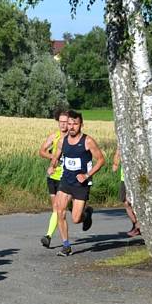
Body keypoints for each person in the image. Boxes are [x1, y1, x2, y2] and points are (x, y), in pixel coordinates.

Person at [48, 110, 105, 257]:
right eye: (70, 124)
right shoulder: (62, 140)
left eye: (75, 124)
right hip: (66, 181)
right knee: (59, 211)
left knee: (75, 219)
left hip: (81, 184)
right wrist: (52, 166)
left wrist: (86, 175)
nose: (72, 127)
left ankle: (87, 214)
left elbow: (101, 160)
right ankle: (66, 246)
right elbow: (56, 156)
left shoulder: (87, 141)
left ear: (81, 125)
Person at [38, 109, 69, 248]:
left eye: (65, 122)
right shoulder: (54, 136)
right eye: (60, 122)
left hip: (66, 176)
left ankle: (48, 236)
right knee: (56, 208)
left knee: (61, 207)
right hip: (53, 175)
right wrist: (53, 157)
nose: (63, 125)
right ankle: (49, 236)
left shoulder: (73, 138)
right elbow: (41, 151)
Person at [113, 146, 140, 236]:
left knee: (132, 201)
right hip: (125, 177)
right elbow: (118, 150)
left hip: (137, 176)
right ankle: (136, 225)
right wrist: (115, 164)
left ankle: (139, 226)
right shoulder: (123, 137)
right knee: (126, 202)